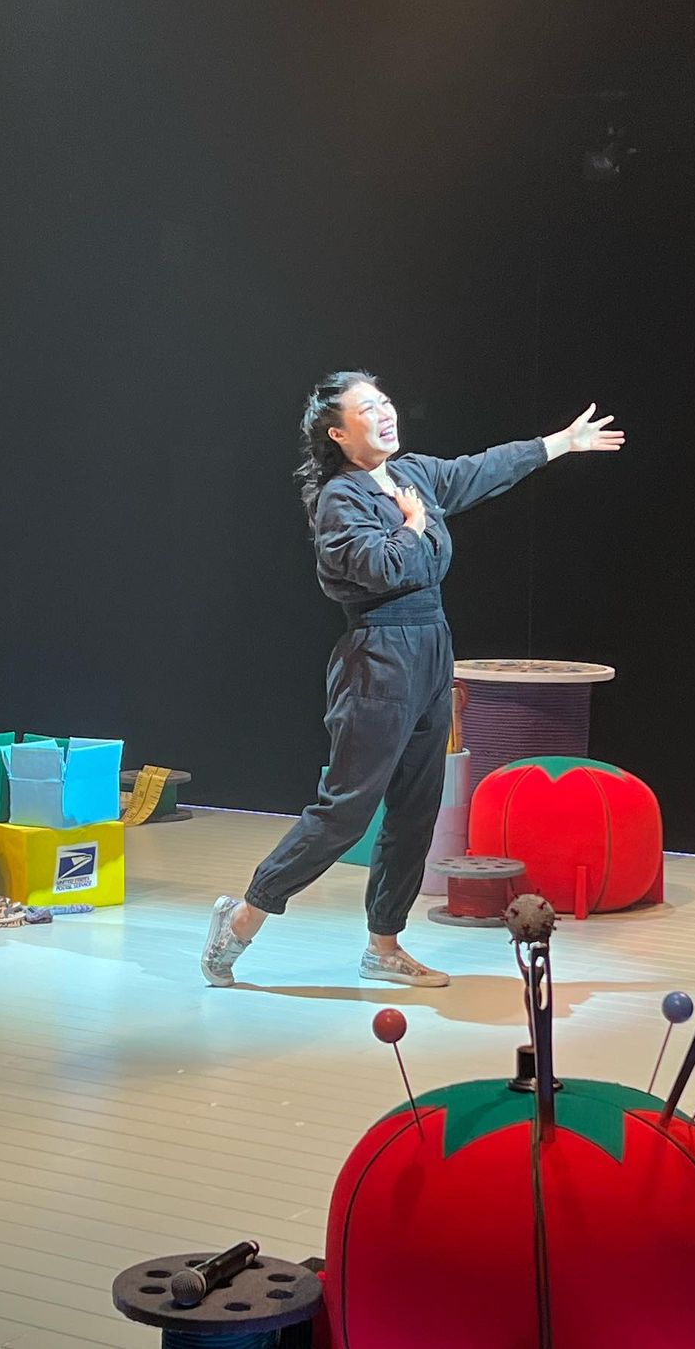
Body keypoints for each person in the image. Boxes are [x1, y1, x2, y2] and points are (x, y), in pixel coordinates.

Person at [202, 371, 623, 988]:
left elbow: (480, 470)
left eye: (385, 402)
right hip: (378, 654)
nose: (385, 413)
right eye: (367, 408)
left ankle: (384, 945)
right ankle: (242, 918)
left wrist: (558, 443)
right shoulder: (340, 499)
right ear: (338, 432)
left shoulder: (412, 475)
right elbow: (377, 568)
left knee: (416, 807)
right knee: (346, 810)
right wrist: (413, 527)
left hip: (431, 647)